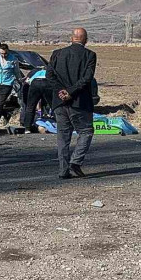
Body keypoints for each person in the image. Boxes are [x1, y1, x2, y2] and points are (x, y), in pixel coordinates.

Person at [46, 28, 97, 179]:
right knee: (86, 131)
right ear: (86, 39)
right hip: (79, 102)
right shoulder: (90, 55)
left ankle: (63, 170)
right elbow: (87, 78)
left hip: (59, 102)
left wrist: (61, 91)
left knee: (63, 137)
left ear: (71, 38)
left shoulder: (57, 53)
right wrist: (70, 92)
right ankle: (75, 162)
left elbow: (49, 75)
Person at [0, 44, 20, 132]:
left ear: (8, 51)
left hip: (7, 84)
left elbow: (17, 72)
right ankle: (5, 114)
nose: (3, 55)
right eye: (2, 53)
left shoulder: (13, 59)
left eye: (5, 53)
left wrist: (20, 80)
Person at [21, 67, 52, 133]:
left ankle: (27, 128)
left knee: (30, 107)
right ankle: (59, 125)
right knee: (53, 105)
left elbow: (27, 82)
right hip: (47, 82)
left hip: (35, 83)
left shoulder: (35, 72)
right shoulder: (49, 71)